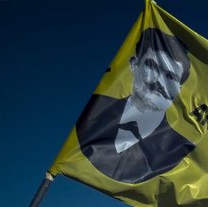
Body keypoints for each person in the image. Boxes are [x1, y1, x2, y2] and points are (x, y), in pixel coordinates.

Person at [75, 27, 195, 184]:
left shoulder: (179, 150)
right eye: (152, 66)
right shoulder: (92, 113)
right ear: (134, 65)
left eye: (170, 76)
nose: (160, 81)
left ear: (179, 89)